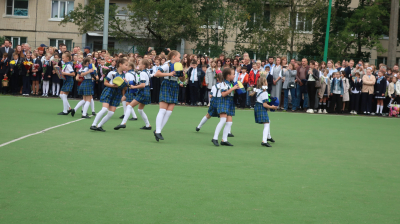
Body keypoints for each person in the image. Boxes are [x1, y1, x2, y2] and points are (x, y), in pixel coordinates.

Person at [153, 50, 185, 141]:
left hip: (175, 86)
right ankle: (158, 131)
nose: (180, 58)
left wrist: (183, 75)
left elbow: (182, 80)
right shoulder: (167, 64)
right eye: (179, 57)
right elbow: (157, 74)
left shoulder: (179, 65)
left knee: (169, 112)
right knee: (162, 110)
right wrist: (169, 74)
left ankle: (157, 131)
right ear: (174, 57)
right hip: (167, 84)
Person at [91, 58, 129, 132]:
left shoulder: (125, 75)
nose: (127, 66)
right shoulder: (112, 73)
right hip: (109, 91)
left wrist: (126, 84)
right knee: (104, 109)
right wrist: (113, 86)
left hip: (117, 94)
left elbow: (124, 88)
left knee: (111, 113)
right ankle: (93, 125)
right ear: (120, 64)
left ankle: (99, 126)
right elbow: (105, 83)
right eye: (126, 65)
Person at [115, 59, 152, 130]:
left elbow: (143, 85)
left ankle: (123, 123)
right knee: (140, 110)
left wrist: (134, 87)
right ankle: (148, 125)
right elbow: (143, 83)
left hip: (143, 92)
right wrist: (128, 82)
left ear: (143, 65)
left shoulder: (142, 73)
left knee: (129, 106)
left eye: (140, 64)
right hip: (146, 92)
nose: (138, 65)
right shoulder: (146, 72)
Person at [211, 68, 238, 147]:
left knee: (229, 122)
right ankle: (215, 138)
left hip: (230, 102)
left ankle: (224, 140)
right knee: (223, 120)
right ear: (228, 76)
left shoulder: (230, 84)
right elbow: (223, 94)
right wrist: (232, 89)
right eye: (233, 74)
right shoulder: (223, 84)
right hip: (223, 102)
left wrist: (236, 89)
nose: (234, 76)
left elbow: (231, 93)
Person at [251, 77, 277, 147]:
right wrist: (272, 107)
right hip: (261, 107)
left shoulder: (258, 90)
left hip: (257, 107)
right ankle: (264, 141)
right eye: (266, 81)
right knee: (266, 124)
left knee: (268, 121)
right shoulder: (264, 92)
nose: (267, 83)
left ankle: (268, 137)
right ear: (264, 83)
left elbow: (251, 93)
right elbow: (265, 104)